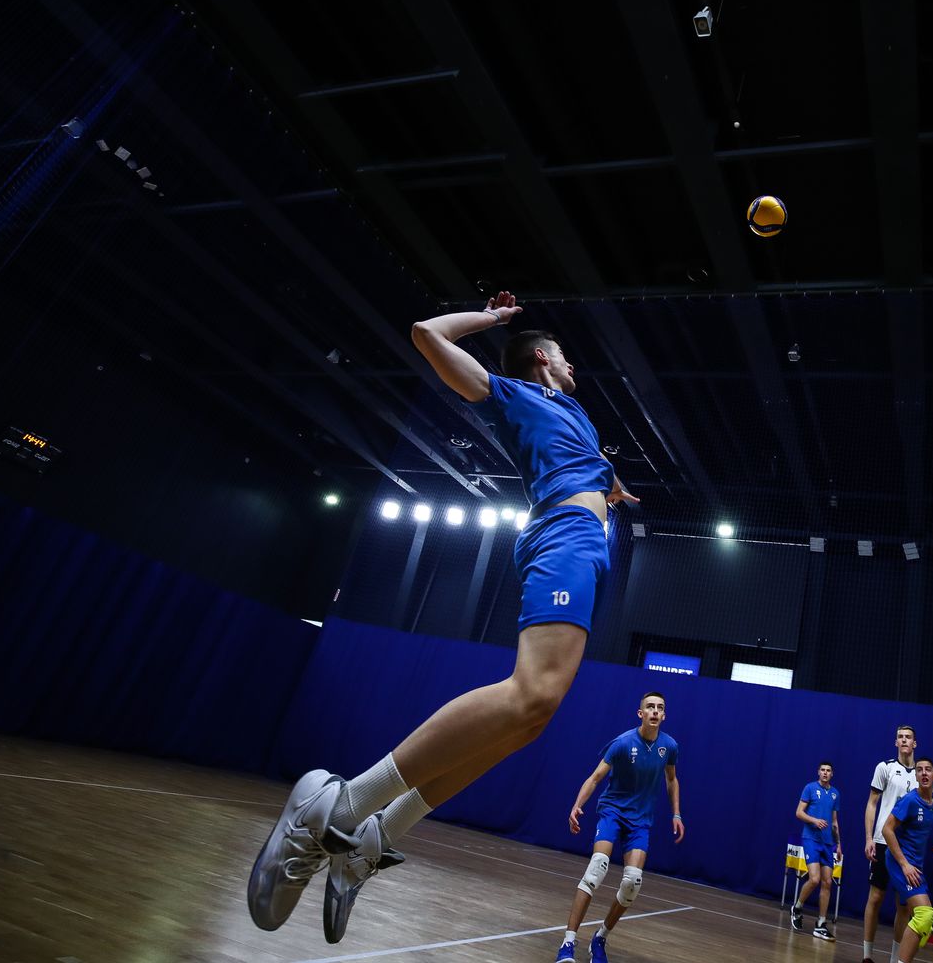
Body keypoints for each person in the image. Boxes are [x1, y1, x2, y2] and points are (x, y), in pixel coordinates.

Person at [247, 292, 639, 944]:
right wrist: (491, 321)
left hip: (584, 541)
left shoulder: (571, 413)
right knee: (532, 694)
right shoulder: (519, 395)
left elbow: (583, 460)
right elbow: (425, 332)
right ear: (542, 360)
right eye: (565, 359)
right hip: (564, 535)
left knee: (528, 723)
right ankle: (341, 805)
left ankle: (376, 837)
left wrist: (611, 485)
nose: (576, 369)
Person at [556, 692, 682, 963]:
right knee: (596, 868)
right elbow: (595, 777)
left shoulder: (669, 746)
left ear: (664, 715)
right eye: (650, 707)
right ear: (640, 713)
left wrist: (677, 814)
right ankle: (567, 943)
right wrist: (577, 805)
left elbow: (672, 780)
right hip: (612, 812)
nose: (655, 711)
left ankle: (600, 938)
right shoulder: (623, 743)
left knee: (632, 883)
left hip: (641, 822)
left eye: (660, 708)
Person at [862, 725, 919, 963]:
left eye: (908, 737)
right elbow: (872, 804)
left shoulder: (922, 774)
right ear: (895, 742)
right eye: (900, 737)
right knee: (875, 898)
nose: (904, 740)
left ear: (914, 743)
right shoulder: (884, 768)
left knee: (904, 906)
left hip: (907, 846)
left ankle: (896, 959)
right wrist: (869, 838)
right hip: (883, 841)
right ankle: (867, 956)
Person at [880, 758, 933, 963]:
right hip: (901, 863)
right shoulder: (910, 801)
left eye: (928, 770)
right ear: (915, 776)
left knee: (906, 912)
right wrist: (905, 865)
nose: (924, 773)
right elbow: (886, 830)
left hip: (916, 865)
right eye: (919, 770)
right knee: (925, 915)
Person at [790, 760, 841, 941]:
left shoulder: (835, 794)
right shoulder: (810, 788)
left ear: (832, 774)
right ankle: (797, 906)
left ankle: (821, 924)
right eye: (823, 770)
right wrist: (814, 820)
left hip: (828, 843)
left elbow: (834, 822)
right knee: (814, 878)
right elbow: (799, 812)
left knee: (827, 882)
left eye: (828, 770)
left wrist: (839, 844)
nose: (825, 773)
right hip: (811, 839)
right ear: (818, 772)